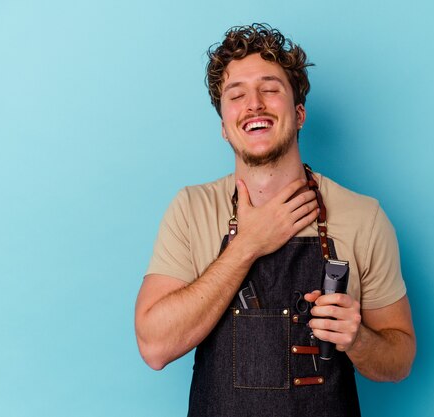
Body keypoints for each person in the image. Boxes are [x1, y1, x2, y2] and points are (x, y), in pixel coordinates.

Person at [135, 23, 416, 416]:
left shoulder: (362, 217)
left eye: (270, 88)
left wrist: (359, 340)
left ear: (299, 114)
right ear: (224, 127)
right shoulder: (191, 209)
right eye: (237, 95)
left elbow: (400, 357)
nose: (254, 104)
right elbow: (154, 347)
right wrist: (249, 244)